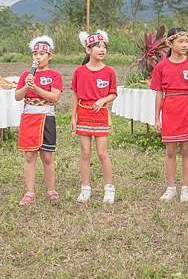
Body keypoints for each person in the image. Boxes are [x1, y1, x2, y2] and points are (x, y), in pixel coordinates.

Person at [150, 28, 188, 203]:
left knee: (187, 150)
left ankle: (186, 188)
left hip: (187, 108)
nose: (185, 45)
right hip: (170, 109)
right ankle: (171, 187)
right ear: (170, 44)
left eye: (186, 41)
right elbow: (158, 93)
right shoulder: (161, 66)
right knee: (170, 151)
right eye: (180, 41)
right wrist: (157, 117)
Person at [71, 30, 118, 204]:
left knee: (102, 153)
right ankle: (85, 188)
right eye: (97, 46)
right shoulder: (79, 72)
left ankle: (109, 188)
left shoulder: (109, 72)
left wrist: (103, 99)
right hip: (83, 113)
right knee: (85, 153)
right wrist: (73, 117)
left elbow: (113, 94)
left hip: (101, 115)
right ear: (88, 50)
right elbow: (75, 95)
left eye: (104, 46)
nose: (102, 49)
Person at [15, 36, 63, 205]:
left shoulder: (54, 75)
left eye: (42, 53)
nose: (38, 56)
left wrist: (36, 88)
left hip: (47, 116)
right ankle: (29, 192)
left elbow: (55, 97)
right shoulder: (26, 75)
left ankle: (51, 189)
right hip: (29, 116)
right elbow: (17, 97)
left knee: (47, 156)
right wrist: (26, 87)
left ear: (50, 55)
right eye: (35, 53)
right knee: (29, 156)